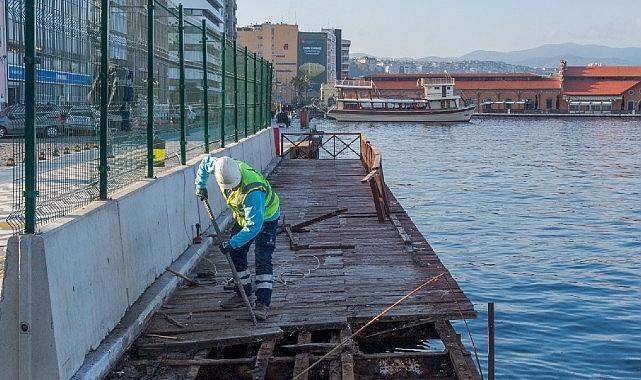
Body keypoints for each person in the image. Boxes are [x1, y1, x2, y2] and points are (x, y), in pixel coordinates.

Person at [195, 156, 280, 320]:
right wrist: (200, 184)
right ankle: (243, 293)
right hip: (243, 218)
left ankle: (262, 303)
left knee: (263, 258)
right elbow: (205, 163)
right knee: (236, 254)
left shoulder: (253, 191)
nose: (231, 190)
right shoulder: (221, 166)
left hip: (266, 218)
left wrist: (233, 242)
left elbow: (254, 226)